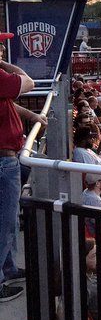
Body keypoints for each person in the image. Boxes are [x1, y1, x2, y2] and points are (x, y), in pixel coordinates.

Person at [0, 45, 35, 302]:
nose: (2, 47)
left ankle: (9, 268)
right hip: (3, 161)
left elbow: (8, 103)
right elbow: (29, 81)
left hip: (6, 161)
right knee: (4, 223)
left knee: (9, 221)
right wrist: (3, 65)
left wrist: (32, 115)